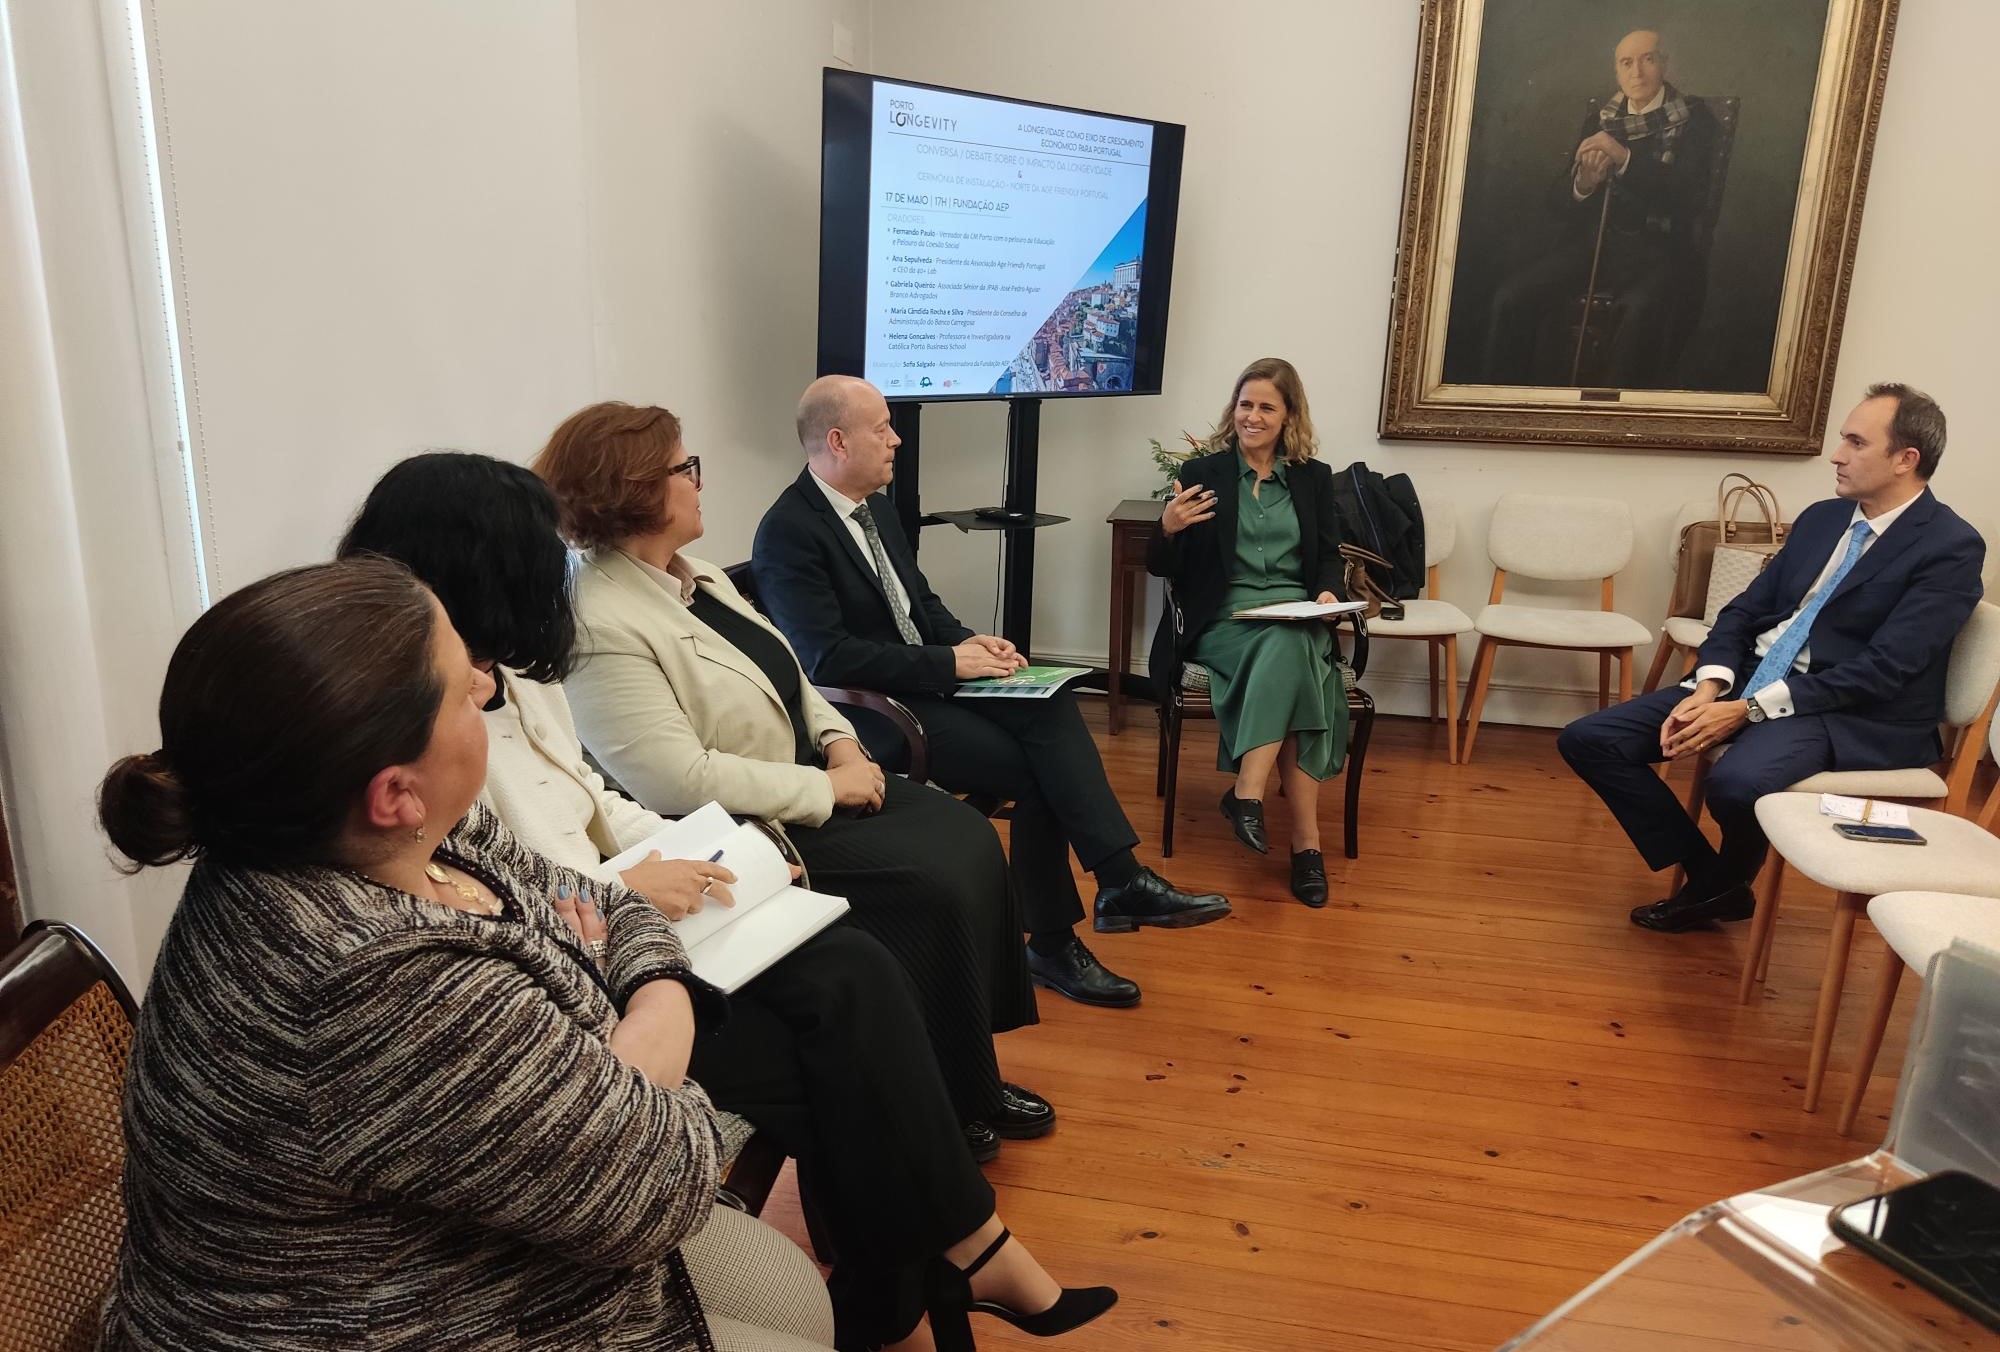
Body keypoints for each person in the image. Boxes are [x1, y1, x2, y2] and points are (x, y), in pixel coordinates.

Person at [337, 455, 1114, 1352]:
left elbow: (598, 798)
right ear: (483, 574)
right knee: (842, 1039)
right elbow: (512, 894)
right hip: (592, 961)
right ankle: (948, 1261)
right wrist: (632, 892)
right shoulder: (424, 730)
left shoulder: (519, 668)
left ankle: (923, 1269)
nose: (556, 578)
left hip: (625, 915)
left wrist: (717, 849)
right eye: (681, 465)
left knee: (855, 963)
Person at [94, 556, 834, 1352]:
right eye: (461, 684)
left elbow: (613, 904)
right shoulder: (373, 982)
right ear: (394, 793)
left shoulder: (396, 831)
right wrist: (645, 996)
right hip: (400, 1314)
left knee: (790, 1297)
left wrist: (630, 1013)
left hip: (482, 1241)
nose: (488, 685)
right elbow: (663, 1180)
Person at [534, 401, 1053, 1156]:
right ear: (635, 489)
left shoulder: (693, 576)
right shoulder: (597, 619)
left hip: (808, 775)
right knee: (931, 882)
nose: (699, 481)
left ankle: (966, 1067)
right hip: (745, 827)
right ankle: (941, 1096)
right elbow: (675, 779)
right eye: (685, 468)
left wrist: (841, 743)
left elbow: (793, 676)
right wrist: (826, 790)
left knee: (968, 835)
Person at [751, 375, 1231, 1010]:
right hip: (871, 713)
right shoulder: (787, 530)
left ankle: (1114, 886)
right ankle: (1070, 928)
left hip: (929, 679)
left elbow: (919, 604)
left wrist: (972, 643)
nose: (896, 440)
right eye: (882, 428)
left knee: (1052, 699)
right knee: (1038, 771)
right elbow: (827, 658)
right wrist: (950, 662)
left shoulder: (877, 509)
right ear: (837, 442)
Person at [1558, 383, 1986, 931]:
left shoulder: (1950, 546)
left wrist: (1747, 710)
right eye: (1842, 439)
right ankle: (1717, 883)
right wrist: (1711, 685)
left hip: (1845, 709)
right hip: (1750, 678)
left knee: (1737, 784)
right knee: (1591, 740)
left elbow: (1885, 669)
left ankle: (1718, 885)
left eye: (1856, 443)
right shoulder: (1823, 519)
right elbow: (1744, 610)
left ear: (1906, 459)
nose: (1836, 455)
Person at [1146, 357, 1353, 906]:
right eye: (1245, 404)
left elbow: (1328, 556)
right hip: (1225, 621)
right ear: (1232, 409)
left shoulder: (1311, 477)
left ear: (1288, 417)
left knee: (1292, 643)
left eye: (1266, 407)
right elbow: (1162, 567)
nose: (1252, 417)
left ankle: (1248, 796)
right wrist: (1167, 529)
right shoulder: (1204, 474)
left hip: (1294, 616)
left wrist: (1327, 593)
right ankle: (1305, 846)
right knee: (1302, 662)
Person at [1476, 29, 1722, 389]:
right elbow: (1557, 201)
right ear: (1616, 72)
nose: (1637, 72)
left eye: (1647, 59)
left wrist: (1624, 158)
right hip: (1593, 248)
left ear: (1665, 64)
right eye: (1626, 63)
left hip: (1661, 253)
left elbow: (1690, 197)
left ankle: (1613, 419)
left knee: (1638, 312)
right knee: (1510, 299)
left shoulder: (1695, 118)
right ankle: (1499, 408)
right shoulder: (1602, 119)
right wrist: (1584, 184)